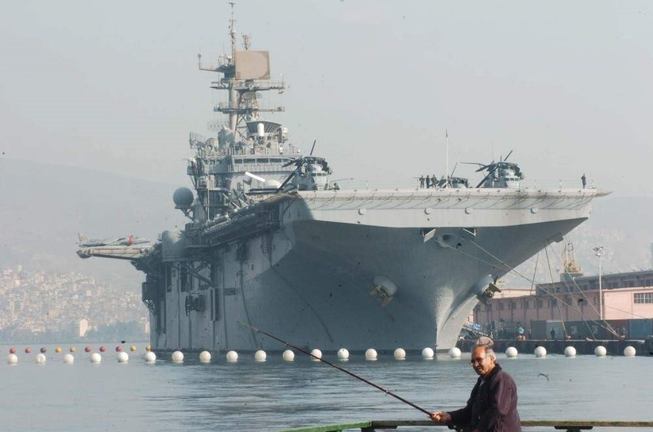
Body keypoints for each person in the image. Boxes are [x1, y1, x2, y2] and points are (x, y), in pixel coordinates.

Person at [431, 345, 521, 431]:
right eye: (473, 361)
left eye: (479, 360)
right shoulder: (482, 381)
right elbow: (470, 411)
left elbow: (497, 410)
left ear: (491, 359)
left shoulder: (502, 379)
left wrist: (479, 429)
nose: (475, 364)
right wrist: (449, 416)